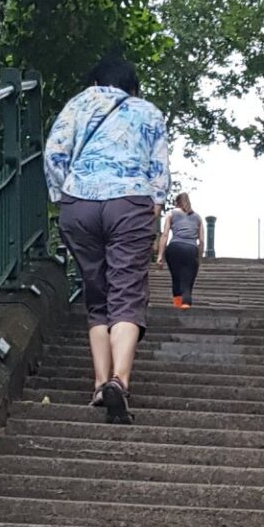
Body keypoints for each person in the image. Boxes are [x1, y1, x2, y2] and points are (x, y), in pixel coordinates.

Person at [45, 54, 170, 423]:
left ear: (95, 79)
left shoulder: (77, 104)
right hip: (129, 202)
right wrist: (154, 206)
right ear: (131, 85)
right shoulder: (148, 111)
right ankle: (120, 380)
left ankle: (100, 384)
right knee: (127, 293)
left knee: (96, 294)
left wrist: (62, 194)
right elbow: (159, 170)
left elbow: (54, 153)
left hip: (79, 204)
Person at [157, 190, 205, 308]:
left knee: (176, 277)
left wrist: (160, 255)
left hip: (174, 248)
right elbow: (202, 240)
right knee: (188, 279)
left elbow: (165, 235)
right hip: (191, 249)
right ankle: (186, 303)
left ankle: (177, 304)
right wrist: (199, 257)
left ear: (177, 203)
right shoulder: (198, 218)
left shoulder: (171, 214)